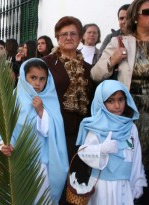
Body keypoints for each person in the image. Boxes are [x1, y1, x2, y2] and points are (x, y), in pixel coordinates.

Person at [91, 1, 149, 202]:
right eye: (147, 12)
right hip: (128, 114)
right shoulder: (121, 41)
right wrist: (112, 60)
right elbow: (96, 74)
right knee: (130, 160)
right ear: (135, 16)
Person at [0, 58, 68, 204]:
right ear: (24, 77)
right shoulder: (13, 99)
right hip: (18, 160)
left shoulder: (50, 100)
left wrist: (41, 112)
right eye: (33, 78)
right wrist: (3, 144)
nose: (37, 83)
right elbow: (1, 127)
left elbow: (53, 132)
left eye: (42, 79)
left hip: (42, 162)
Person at [42, 16, 95, 187]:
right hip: (55, 131)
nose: (69, 37)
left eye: (73, 34)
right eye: (63, 34)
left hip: (81, 133)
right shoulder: (47, 64)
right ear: (57, 38)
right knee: (56, 179)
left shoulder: (89, 68)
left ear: (80, 38)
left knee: (77, 179)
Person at [76, 80, 147, 205]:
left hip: (124, 187)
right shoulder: (96, 126)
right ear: (101, 103)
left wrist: (137, 182)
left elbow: (136, 157)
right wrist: (101, 149)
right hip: (102, 187)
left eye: (121, 100)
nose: (117, 106)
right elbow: (83, 152)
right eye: (110, 101)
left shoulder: (131, 128)